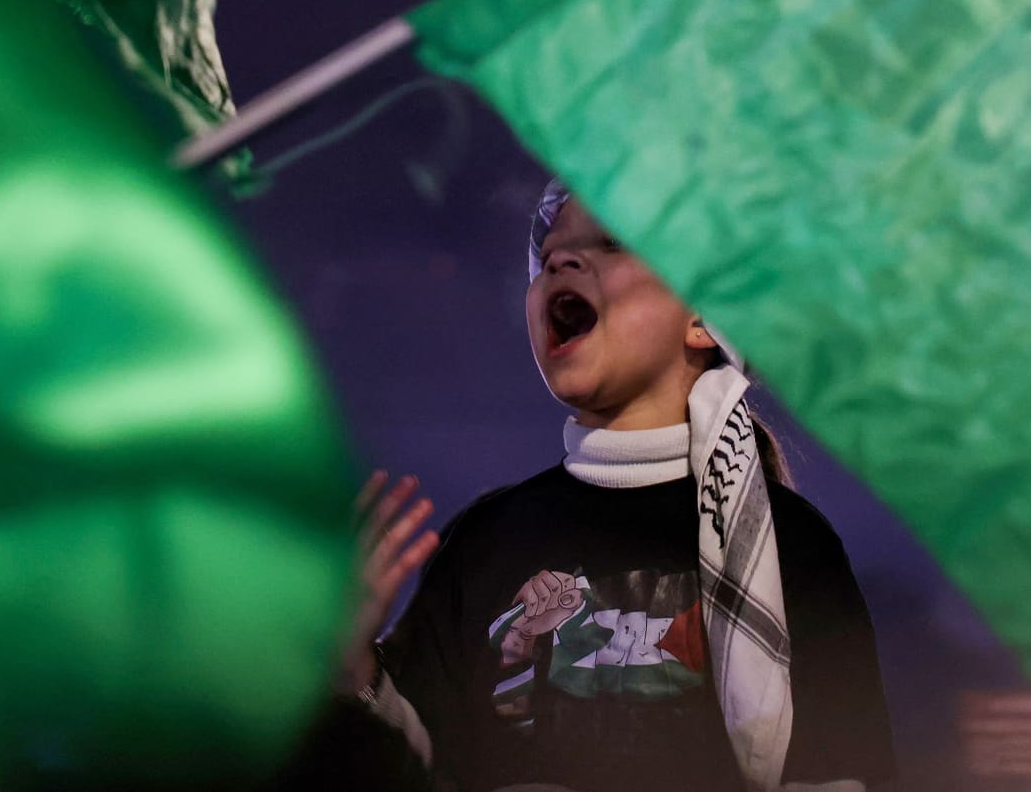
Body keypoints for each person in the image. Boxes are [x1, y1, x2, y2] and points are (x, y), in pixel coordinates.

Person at [288, 180, 893, 792]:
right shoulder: (484, 540)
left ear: (704, 319)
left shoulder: (790, 543)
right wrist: (352, 666)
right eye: (548, 253)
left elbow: (848, 774)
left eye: (611, 242)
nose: (559, 261)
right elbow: (418, 771)